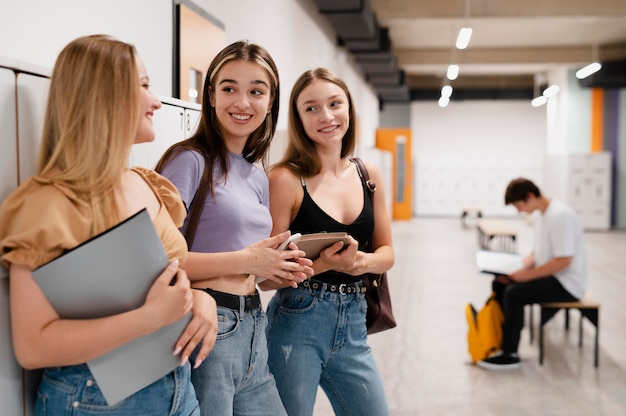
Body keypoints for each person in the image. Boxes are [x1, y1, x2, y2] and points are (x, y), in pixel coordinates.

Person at [0, 34, 218, 415]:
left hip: (176, 388)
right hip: (93, 400)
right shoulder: (47, 205)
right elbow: (32, 346)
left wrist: (201, 301)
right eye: (146, 86)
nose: (156, 101)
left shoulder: (145, 183)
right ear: (105, 94)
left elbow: (169, 280)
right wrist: (149, 318)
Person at [155, 41, 313, 415]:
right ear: (211, 95)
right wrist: (246, 258)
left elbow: (253, 271)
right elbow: (156, 258)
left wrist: (286, 267)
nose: (242, 102)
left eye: (256, 91)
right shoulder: (189, 161)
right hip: (209, 324)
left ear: (271, 101)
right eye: (229, 88)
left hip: (254, 325)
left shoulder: (257, 175)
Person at [260, 67, 394, 416]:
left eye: (335, 103)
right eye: (311, 108)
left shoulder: (368, 175)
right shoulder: (285, 179)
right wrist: (325, 264)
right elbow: (266, 278)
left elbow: (387, 253)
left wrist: (359, 263)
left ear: (349, 107)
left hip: (354, 319)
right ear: (298, 118)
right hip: (297, 319)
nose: (327, 116)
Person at [478, 177, 587, 370]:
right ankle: (501, 341)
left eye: (518, 206)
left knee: (514, 293)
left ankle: (510, 354)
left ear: (530, 196)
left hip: (567, 283)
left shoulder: (560, 216)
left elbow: (564, 260)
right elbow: (537, 254)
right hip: (551, 276)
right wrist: (512, 271)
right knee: (501, 284)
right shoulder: (540, 216)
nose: (519, 211)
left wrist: (525, 276)